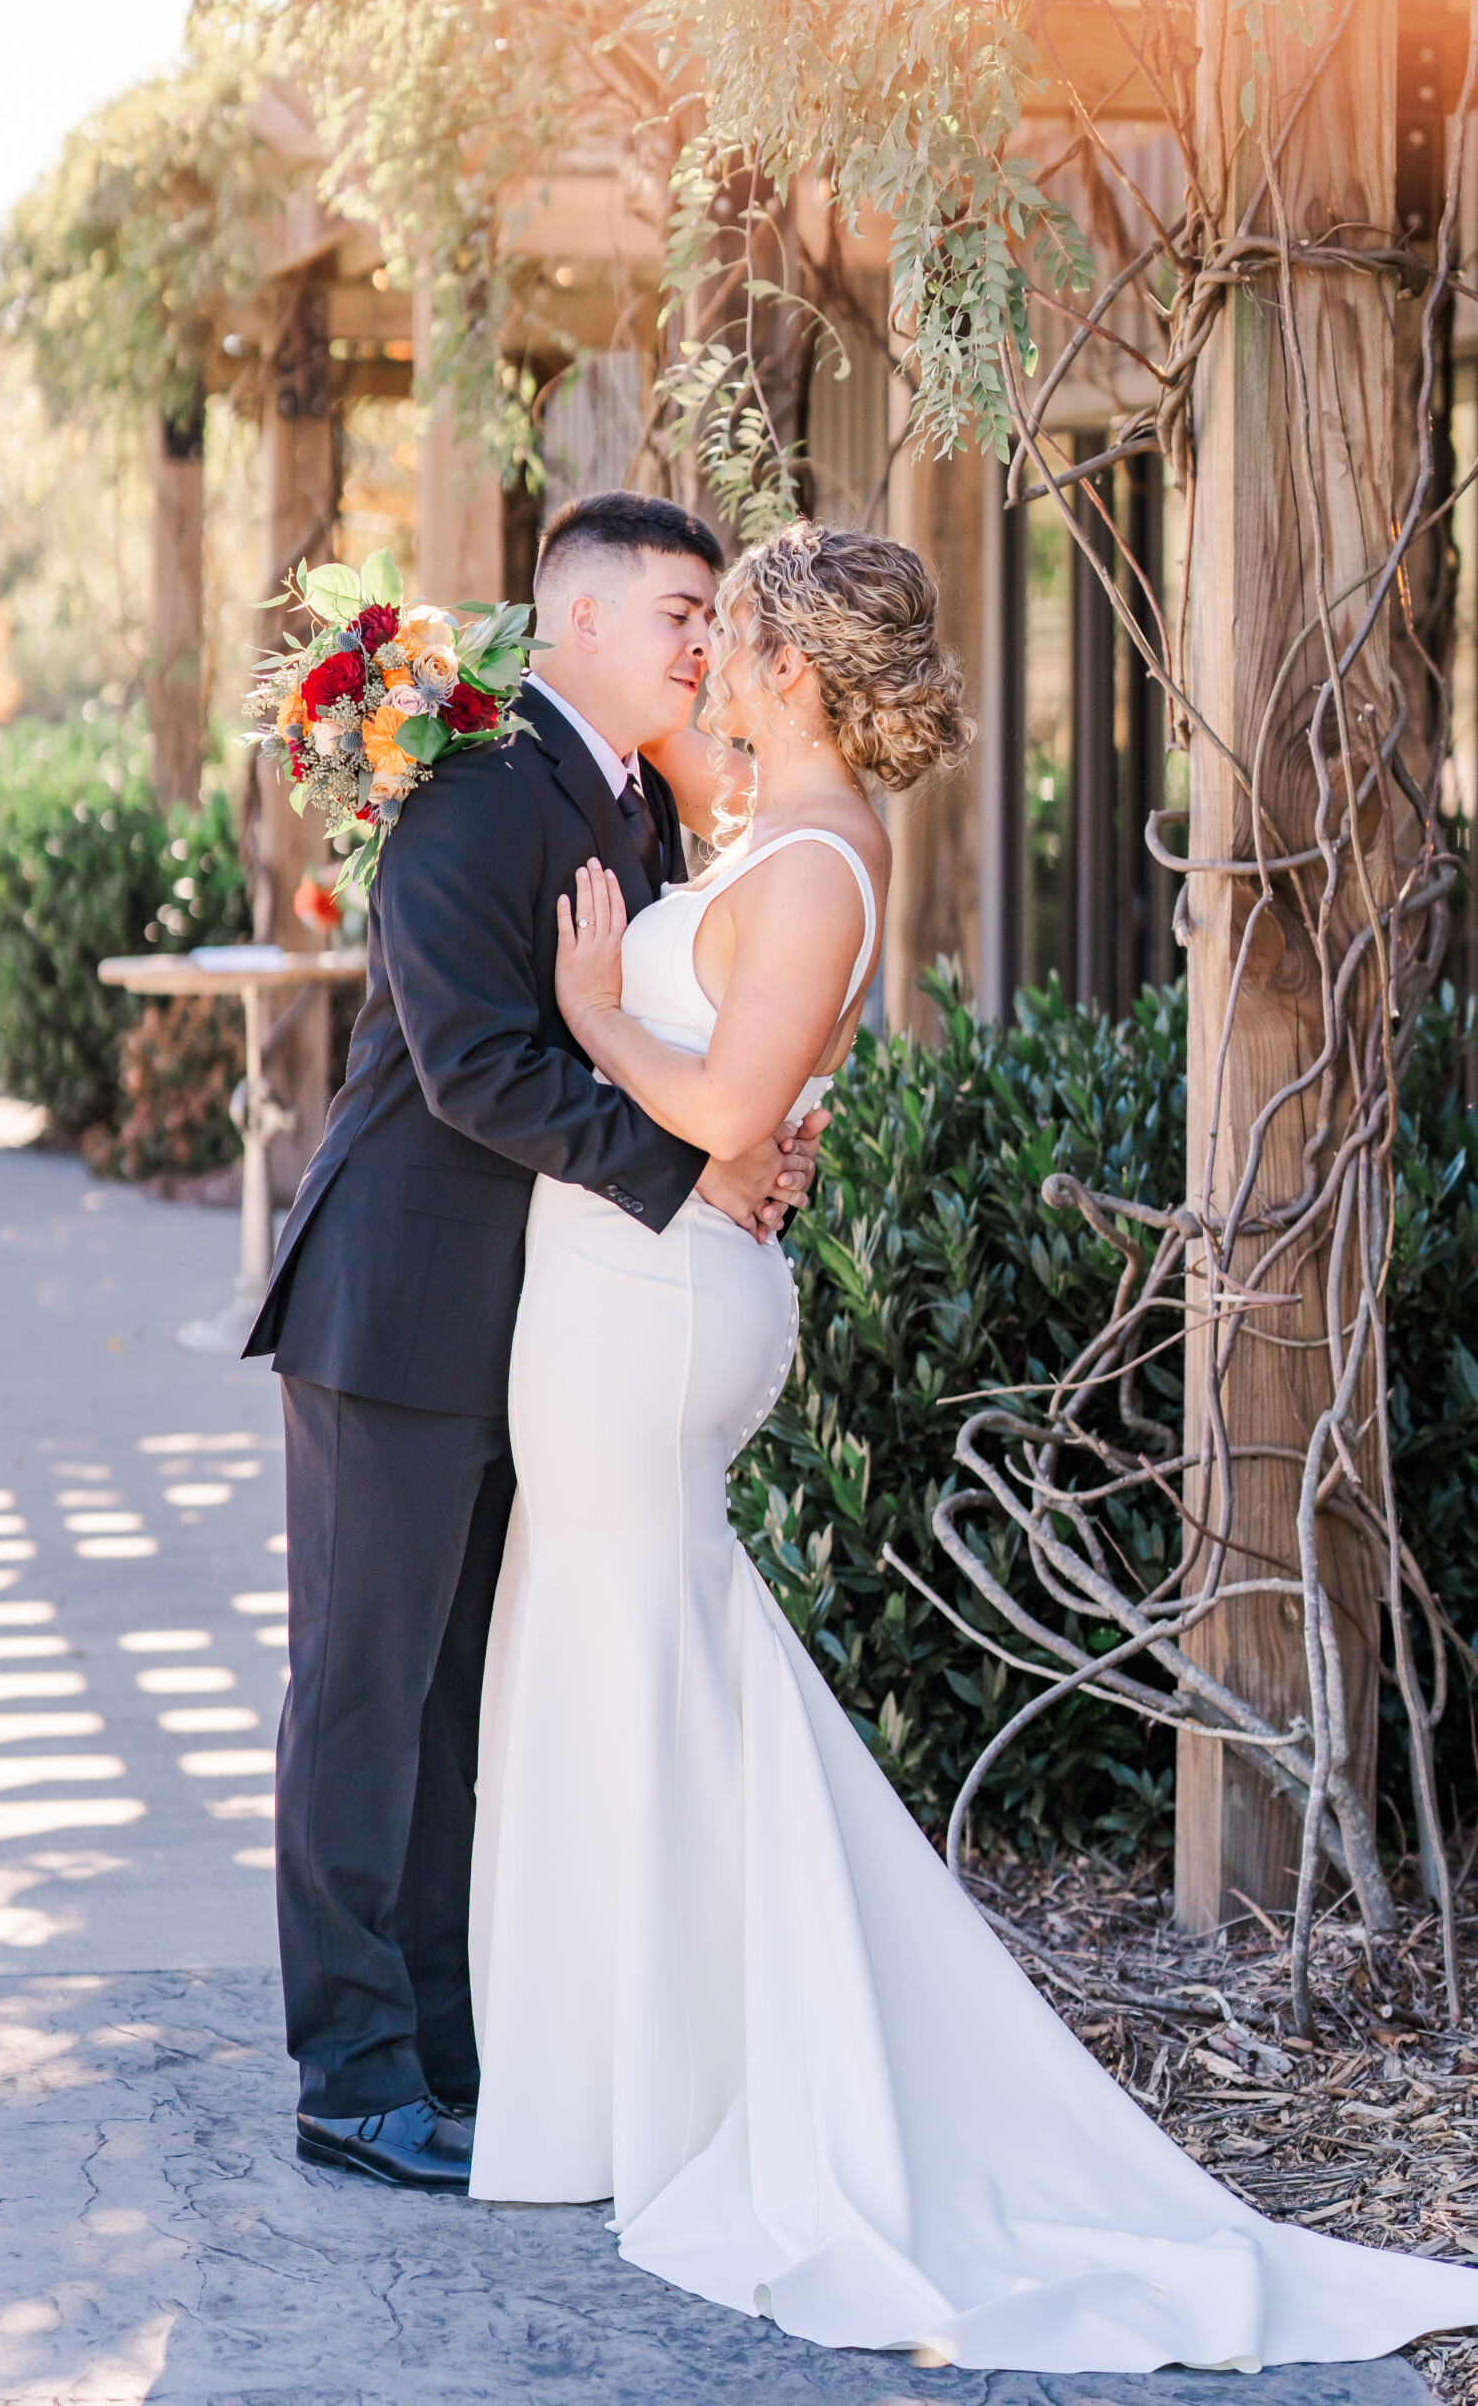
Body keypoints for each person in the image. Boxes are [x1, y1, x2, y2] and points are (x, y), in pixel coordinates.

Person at [466, 516, 1478, 2371]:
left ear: (794, 667)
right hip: (628, 1303)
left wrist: (600, 1009)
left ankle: (662, 2088)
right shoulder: (782, 835)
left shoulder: (830, 867)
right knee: (634, 1659)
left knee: (641, 1656)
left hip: (659, 1308)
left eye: (735, 633)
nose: (712, 662)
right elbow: (662, 835)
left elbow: (726, 1103)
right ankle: (619, 2077)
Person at [243, 492, 826, 2192]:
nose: (703, 644)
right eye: (676, 612)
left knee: (451, 1704)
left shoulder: (630, 806)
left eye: (714, 615)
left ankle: (442, 2042)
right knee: (363, 1694)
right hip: (397, 1304)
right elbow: (474, 1066)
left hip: (536, 1322)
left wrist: (747, 1130)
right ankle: (352, 2077)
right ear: (572, 620)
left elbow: (647, 1034)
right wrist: (694, 1163)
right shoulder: (475, 793)